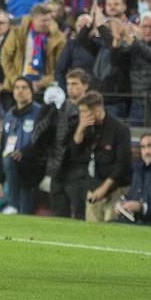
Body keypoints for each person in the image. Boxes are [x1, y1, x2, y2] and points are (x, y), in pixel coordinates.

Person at [0, 76, 52, 215]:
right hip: (14, 166)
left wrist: (24, 152)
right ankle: (16, 209)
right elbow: (3, 147)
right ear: (13, 92)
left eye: (24, 88)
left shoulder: (40, 113)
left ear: (31, 92)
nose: (20, 91)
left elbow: (43, 141)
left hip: (34, 164)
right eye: (17, 88)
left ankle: (12, 204)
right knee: (7, 157)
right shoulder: (9, 116)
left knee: (10, 159)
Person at [72, 92, 132, 222]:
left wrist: (104, 188)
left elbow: (123, 165)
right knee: (91, 228)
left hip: (117, 187)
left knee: (112, 226)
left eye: (84, 112)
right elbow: (76, 152)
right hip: (94, 184)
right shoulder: (87, 127)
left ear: (97, 109)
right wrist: (80, 129)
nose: (81, 116)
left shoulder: (119, 130)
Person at [50, 69, 91, 219]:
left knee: (79, 212)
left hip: (78, 167)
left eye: (75, 84)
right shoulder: (59, 109)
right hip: (59, 166)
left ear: (85, 86)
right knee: (58, 213)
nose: (70, 87)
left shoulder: (91, 109)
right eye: (68, 84)